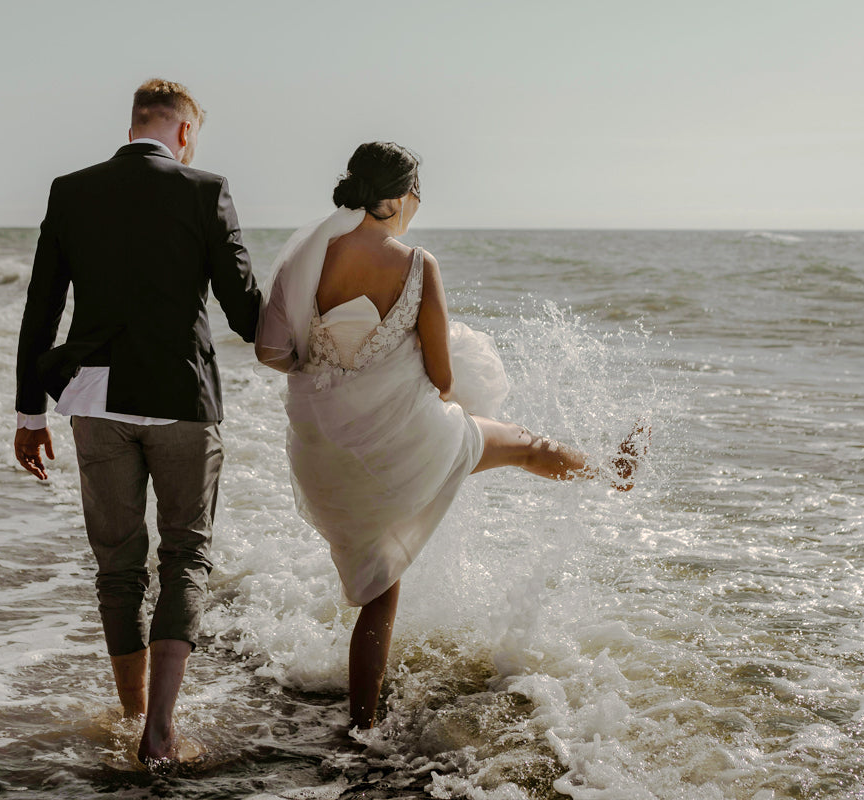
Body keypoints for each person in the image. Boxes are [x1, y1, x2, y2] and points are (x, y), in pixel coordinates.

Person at [256, 142, 644, 729]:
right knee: (523, 443)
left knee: (379, 590)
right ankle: (610, 472)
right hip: (400, 444)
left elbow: (273, 351)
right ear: (397, 196)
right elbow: (442, 377)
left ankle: (361, 727)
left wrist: (343, 368)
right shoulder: (415, 263)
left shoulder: (308, 255)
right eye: (416, 192)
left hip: (320, 451)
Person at [12, 79, 261, 766]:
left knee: (118, 567)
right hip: (182, 399)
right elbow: (244, 310)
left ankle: (130, 712)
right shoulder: (205, 188)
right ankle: (162, 728)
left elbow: (41, 306)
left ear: (135, 127)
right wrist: (307, 344)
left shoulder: (72, 190)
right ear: (184, 132)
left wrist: (30, 410)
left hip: (95, 402)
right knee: (186, 554)